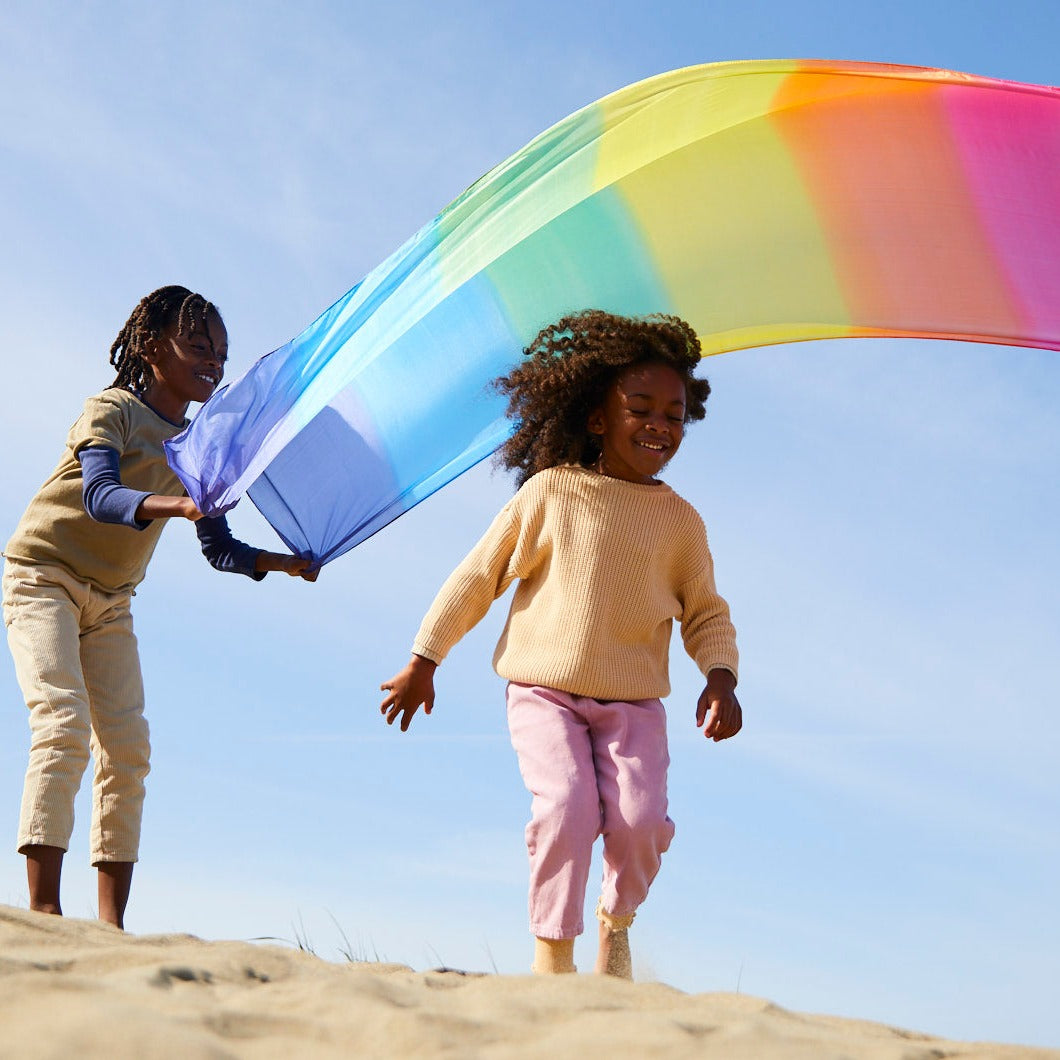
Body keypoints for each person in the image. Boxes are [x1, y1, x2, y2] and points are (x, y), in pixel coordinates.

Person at [380, 309, 741, 979]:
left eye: (674, 412)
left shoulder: (682, 523)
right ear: (599, 417)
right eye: (641, 407)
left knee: (638, 826)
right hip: (544, 693)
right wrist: (425, 658)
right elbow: (478, 577)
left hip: (635, 706)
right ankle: (554, 957)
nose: (660, 422)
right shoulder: (552, 493)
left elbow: (706, 612)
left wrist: (720, 677)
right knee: (568, 809)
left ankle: (616, 922)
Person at [2, 285, 316, 930]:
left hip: (111, 603)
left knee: (127, 748)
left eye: (222, 353)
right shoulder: (112, 409)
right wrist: (176, 504)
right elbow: (100, 495)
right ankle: (44, 911)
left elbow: (218, 547)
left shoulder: (200, 444)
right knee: (62, 724)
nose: (214, 362)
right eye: (198, 346)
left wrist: (283, 563)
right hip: (43, 577)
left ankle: (111, 925)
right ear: (151, 348)